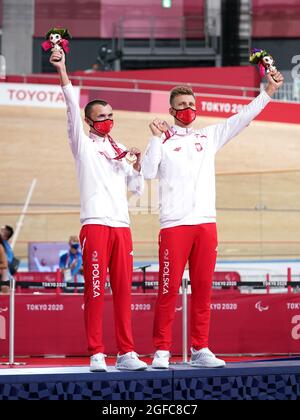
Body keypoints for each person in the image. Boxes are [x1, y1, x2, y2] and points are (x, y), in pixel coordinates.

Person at [142, 69, 284, 369]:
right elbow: (148, 172)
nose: (187, 110)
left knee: (203, 291)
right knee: (167, 292)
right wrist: (155, 138)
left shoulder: (209, 136)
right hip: (174, 227)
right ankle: (162, 350)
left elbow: (242, 118)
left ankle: (200, 348)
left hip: (206, 224)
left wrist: (268, 91)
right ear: (171, 110)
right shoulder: (163, 142)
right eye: (181, 106)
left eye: (191, 104)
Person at [50, 49, 147, 372]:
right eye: (102, 116)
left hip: (122, 226)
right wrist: (63, 68)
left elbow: (137, 188)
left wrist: (139, 163)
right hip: (95, 225)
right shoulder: (82, 144)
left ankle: (126, 352)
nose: (108, 120)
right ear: (90, 121)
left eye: (110, 115)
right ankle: (96, 352)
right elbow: (69, 107)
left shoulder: (118, 148)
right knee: (94, 291)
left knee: (123, 293)